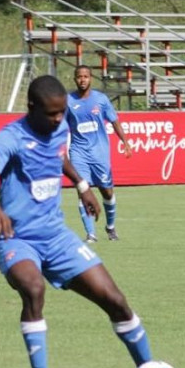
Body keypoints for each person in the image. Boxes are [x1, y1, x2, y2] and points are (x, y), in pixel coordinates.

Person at [0, 75, 184, 368]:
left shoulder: (58, 129)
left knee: (115, 300)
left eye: (62, 113)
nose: (60, 119)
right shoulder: (10, 138)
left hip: (57, 236)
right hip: (16, 238)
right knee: (33, 290)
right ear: (32, 107)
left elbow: (59, 157)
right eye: (52, 113)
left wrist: (83, 185)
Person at [66, 65, 132, 242]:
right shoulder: (68, 101)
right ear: (75, 79)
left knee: (107, 192)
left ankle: (110, 227)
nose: (82, 80)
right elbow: (59, 126)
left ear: (90, 78)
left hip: (99, 153)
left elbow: (114, 120)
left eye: (86, 76)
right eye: (79, 77)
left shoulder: (101, 100)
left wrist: (124, 141)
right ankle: (90, 233)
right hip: (78, 153)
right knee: (83, 190)